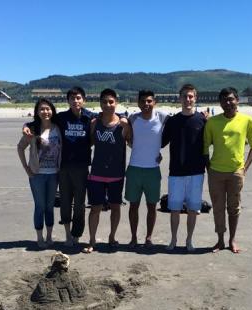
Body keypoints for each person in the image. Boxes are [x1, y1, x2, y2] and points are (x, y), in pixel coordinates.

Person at [23, 87, 95, 246]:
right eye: (72, 98)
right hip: (63, 168)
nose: (75, 101)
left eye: (78, 98)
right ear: (68, 101)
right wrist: (25, 125)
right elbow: (41, 120)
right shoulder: (61, 118)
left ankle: (76, 234)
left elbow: (109, 116)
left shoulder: (90, 117)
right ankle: (67, 235)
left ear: (83, 99)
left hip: (82, 167)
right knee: (65, 202)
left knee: (80, 204)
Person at [203, 87, 252, 254]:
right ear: (220, 103)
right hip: (216, 172)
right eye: (224, 100)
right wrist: (209, 169)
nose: (228, 103)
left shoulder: (247, 120)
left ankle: (232, 239)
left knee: (234, 208)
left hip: (236, 172)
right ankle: (219, 240)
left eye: (231, 99)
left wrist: (244, 168)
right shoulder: (213, 122)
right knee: (218, 208)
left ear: (237, 100)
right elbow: (205, 147)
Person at [161, 84, 208, 252]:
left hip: (196, 172)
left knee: (193, 209)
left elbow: (211, 142)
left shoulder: (203, 120)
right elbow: (160, 142)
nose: (188, 99)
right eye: (185, 96)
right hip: (176, 172)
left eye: (191, 96)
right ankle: (173, 239)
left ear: (195, 98)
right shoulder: (173, 121)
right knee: (174, 209)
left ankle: (189, 240)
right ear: (179, 98)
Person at [84, 89, 131, 253]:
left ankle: (112, 236)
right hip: (96, 173)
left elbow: (131, 142)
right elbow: (89, 143)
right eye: (104, 102)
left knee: (115, 207)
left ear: (116, 103)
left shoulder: (123, 124)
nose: (108, 105)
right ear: (100, 104)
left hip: (116, 174)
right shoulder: (94, 123)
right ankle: (91, 240)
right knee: (95, 208)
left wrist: (126, 128)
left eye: (111, 102)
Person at [125, 90, 168, 247]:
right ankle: (133, 238)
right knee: (133, 206)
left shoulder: (162, 117)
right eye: (143, 101)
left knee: (152, 206)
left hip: (153, 169)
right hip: (134, 168)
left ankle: (149, 237)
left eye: (149, 101)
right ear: (138, 103)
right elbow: (126, 135)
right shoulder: (133, 118)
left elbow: (176, 128)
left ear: (154, 102)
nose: (146, 104)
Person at [17, 98, 61, 248]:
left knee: (50, 206)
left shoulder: (58, 128)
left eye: (48, 109)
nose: (45, 112)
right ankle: (39, 237)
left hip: (54, 174)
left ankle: (49, 236)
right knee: (40, 206)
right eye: (42, 109)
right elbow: (20, 148)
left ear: (52, 111)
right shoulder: (32, 130)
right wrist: (26, 168)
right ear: (37, 112)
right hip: (37, 175)